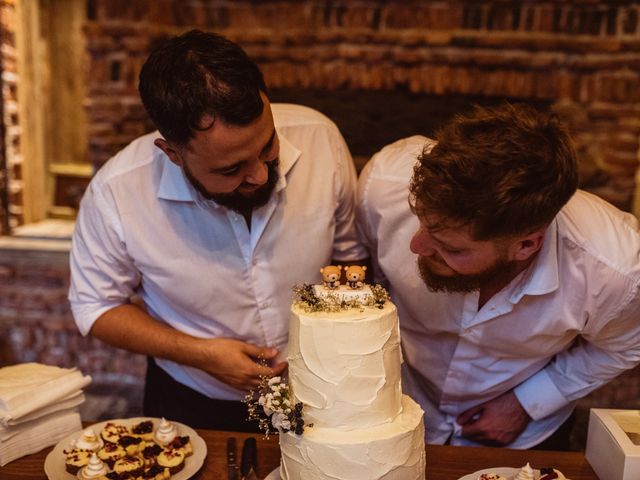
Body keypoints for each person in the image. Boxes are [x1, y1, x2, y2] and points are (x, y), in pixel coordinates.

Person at [68, 30, 366, 432]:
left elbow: (350, 256)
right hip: (193, 398)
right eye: (231, 169)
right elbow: (96, 306)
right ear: (172, 153)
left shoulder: (321, 138)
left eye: (268, 146)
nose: (260, 175)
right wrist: (201, 355)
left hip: (323, 388)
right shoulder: (116, 192)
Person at [357, 103, 640, 449]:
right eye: (420, 220)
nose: (416, 246)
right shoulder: (383, 185)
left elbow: (625, 346)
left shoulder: (615, 271)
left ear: (525, 245)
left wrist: (527, 402)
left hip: (526, 438)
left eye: (453, 248)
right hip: (393, 415)